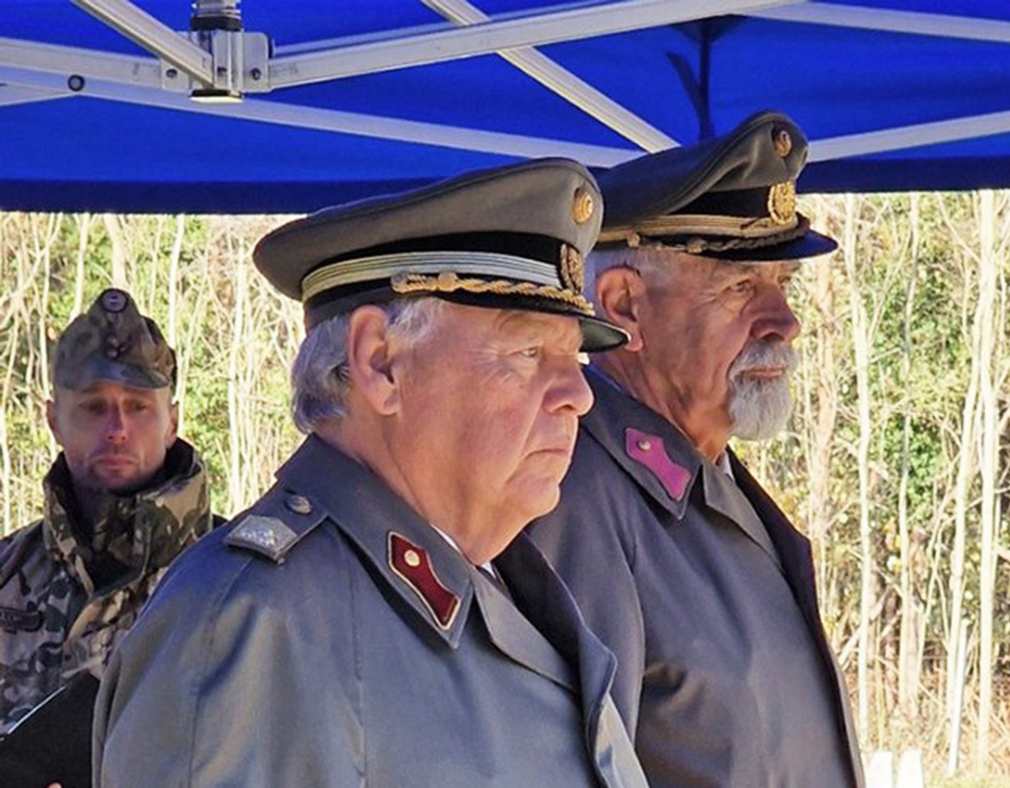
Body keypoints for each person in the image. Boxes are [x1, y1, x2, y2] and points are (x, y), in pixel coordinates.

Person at [93, 159, 649, 788]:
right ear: (381, 362)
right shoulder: (249, 626)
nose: (580, 394)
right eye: (527, 351)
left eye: (573, 356)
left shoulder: (508, 586)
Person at [525, 112, 865, 787]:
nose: (786, 322)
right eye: (740, 287)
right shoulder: (574, 500)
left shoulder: (709, 478)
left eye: (783, 286)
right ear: (623, 306)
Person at [0, 289, 216, 786]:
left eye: (138, 406)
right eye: (94, 406)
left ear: (172, 422)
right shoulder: (8, 577)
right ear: (53, 420)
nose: (117, 428)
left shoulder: (237, 583)